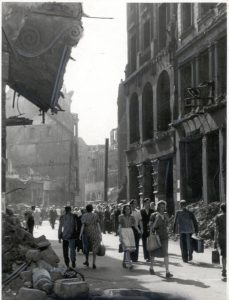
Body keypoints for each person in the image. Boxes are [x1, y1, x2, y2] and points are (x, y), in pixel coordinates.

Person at [149, 200, 173, 278]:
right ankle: (151, 267)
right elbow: (151, 227)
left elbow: (168, 225)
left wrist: (169, 219)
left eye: (164, 207)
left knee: (165, 253)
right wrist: (156, 219)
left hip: (164, 236)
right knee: (153, 252)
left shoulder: (165, 214)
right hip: (156, 235)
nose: (163, 208)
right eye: (161, 207)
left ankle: (167, 271)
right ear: (158, 207)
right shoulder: (153, 215)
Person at [79, 204, 102, 269]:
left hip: (86, 232)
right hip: (95, 232)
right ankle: (94, 263)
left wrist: (80, 234)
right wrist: (100, 233)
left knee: (86, 247)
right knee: (94, 246)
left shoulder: (84, 216)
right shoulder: (95, 215)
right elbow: (98, 225)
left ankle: (87, 260)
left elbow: (83, 225)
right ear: (92, 209)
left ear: (86, 209)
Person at [118, 204, 140, 270]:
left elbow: (135, 225)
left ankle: (124, 261)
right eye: (126, 209)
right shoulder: (121, 216)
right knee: (127, 248)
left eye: (129, 209)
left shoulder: (132, 217)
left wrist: (139, 230)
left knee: (128, 249)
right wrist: (119, 234)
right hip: (123, 231)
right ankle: (129, 264)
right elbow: (120, 225)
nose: (127, 210)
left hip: (130, 232)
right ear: (124, 209)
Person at [214, 203, 227, 278]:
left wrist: (215, 240)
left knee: (224, 254)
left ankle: (224, 270)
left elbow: (216, 230)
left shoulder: (218, 217)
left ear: (221, 209)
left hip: (222, 237)